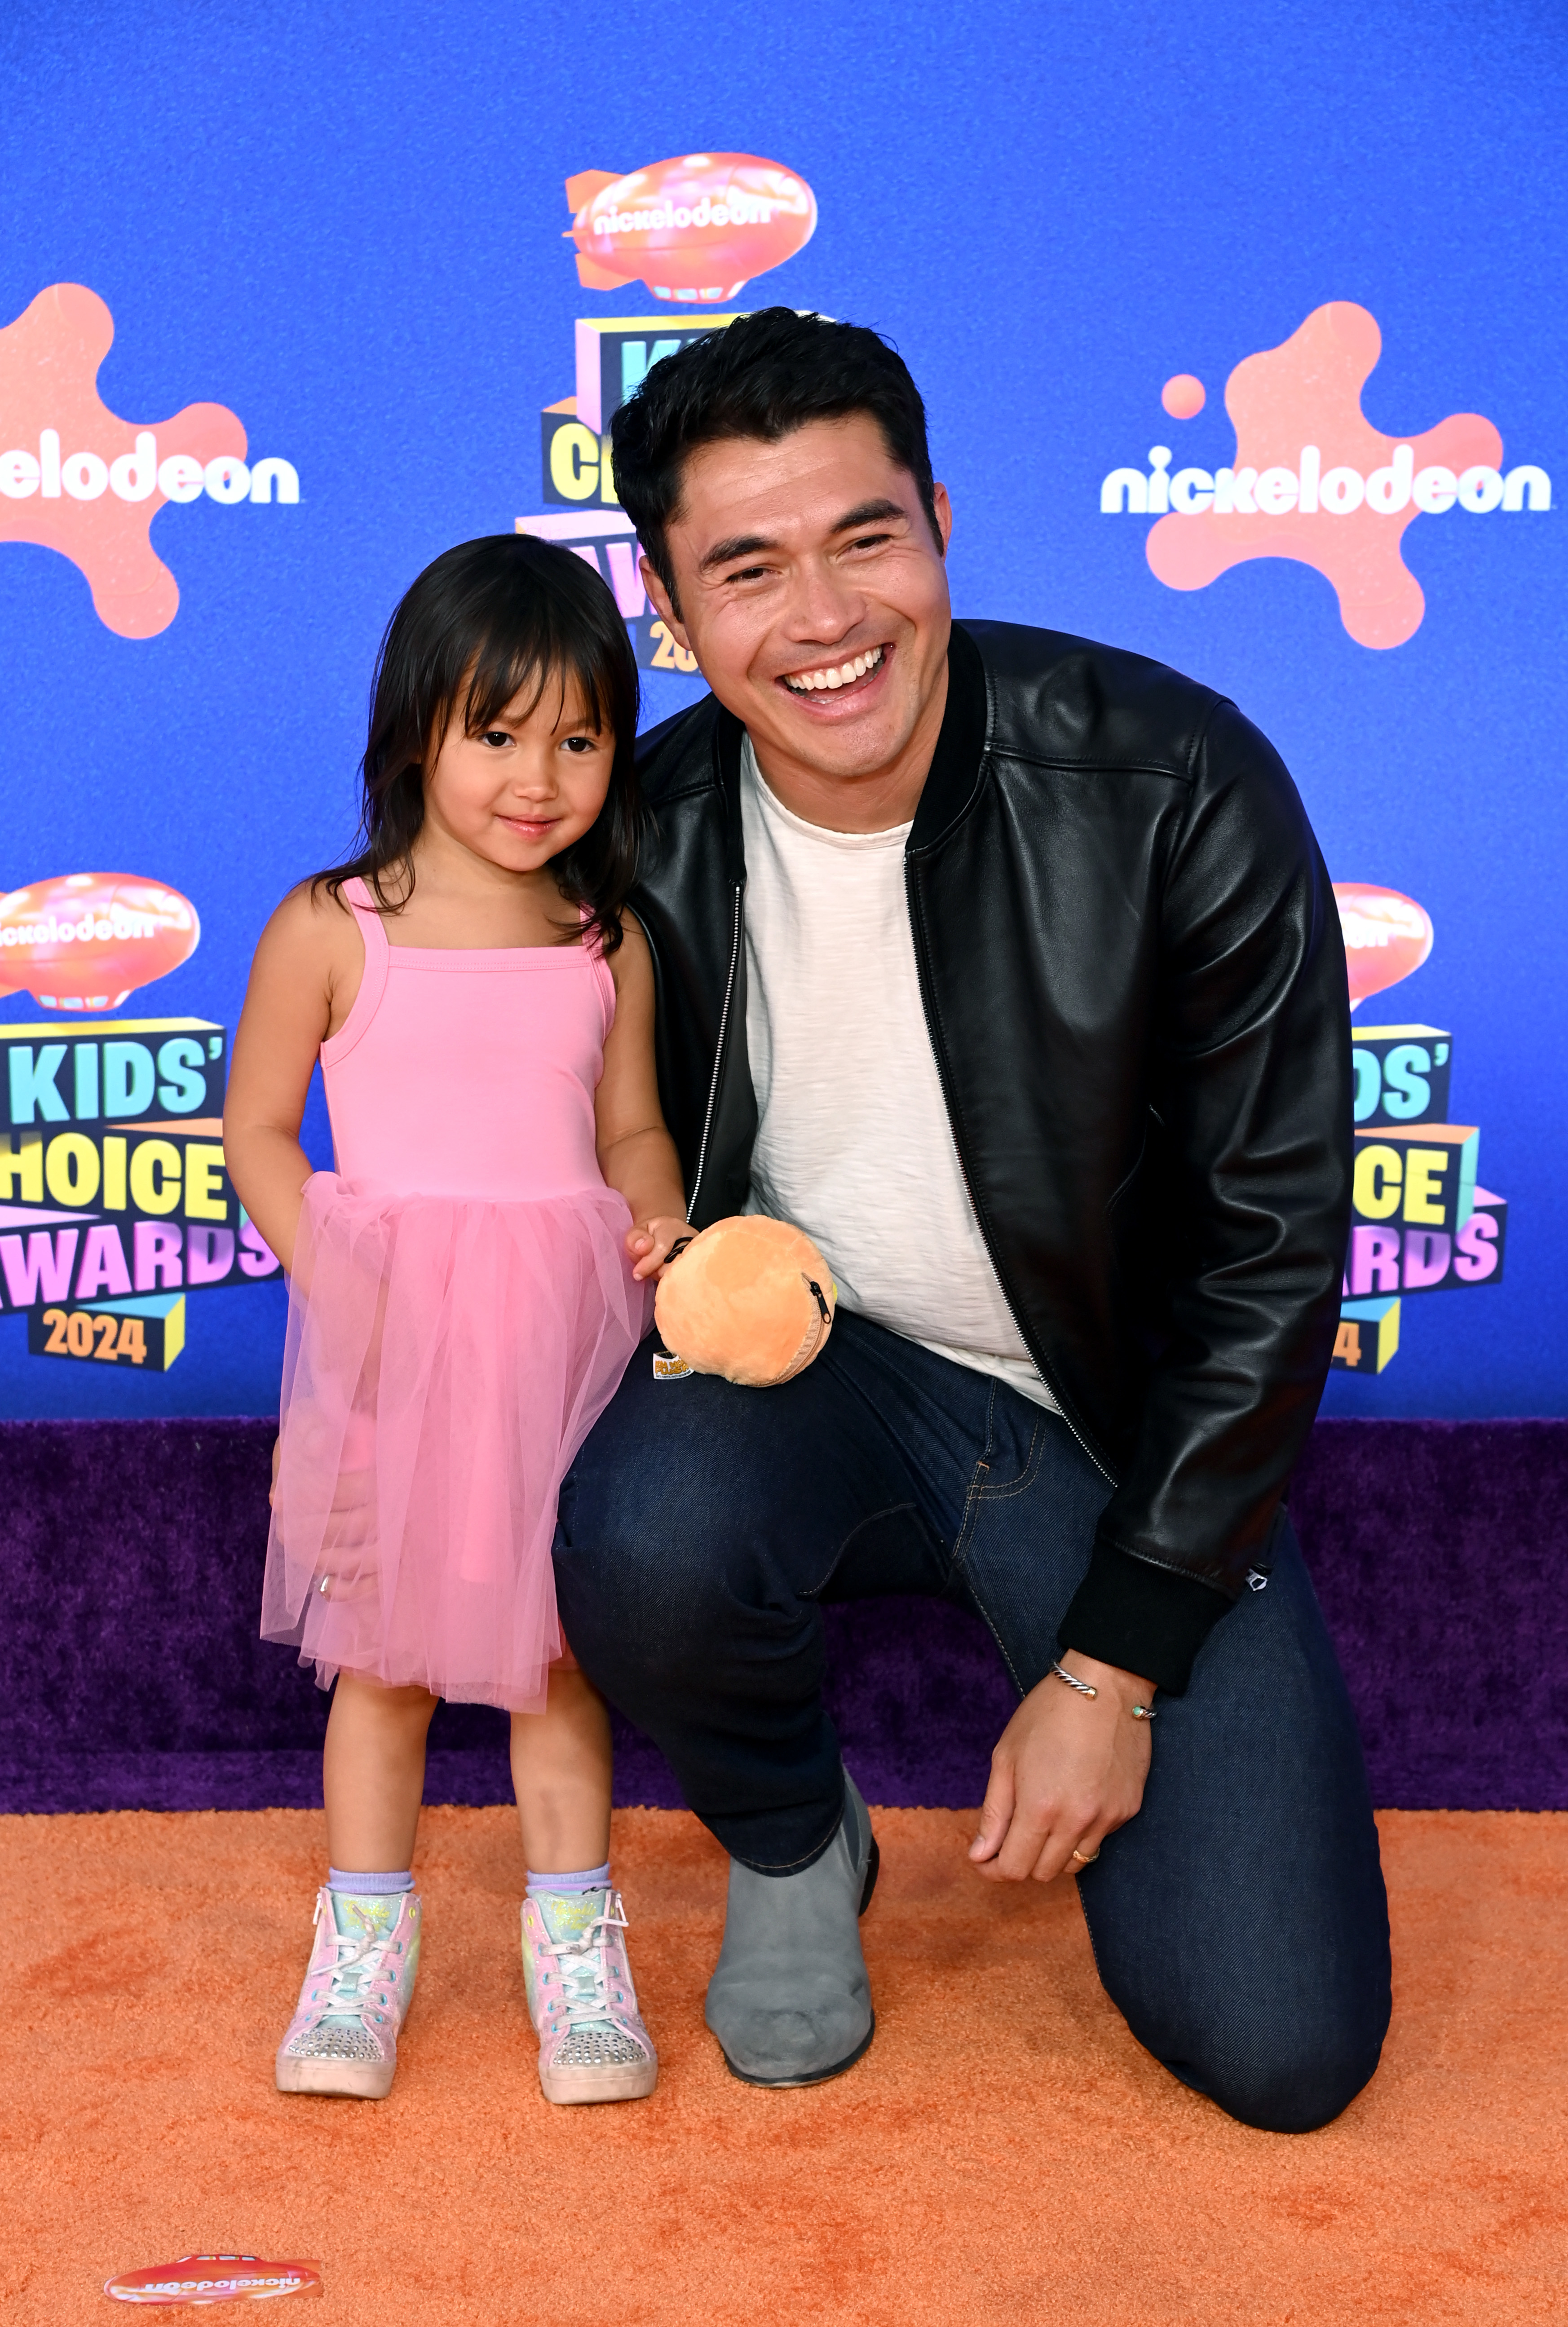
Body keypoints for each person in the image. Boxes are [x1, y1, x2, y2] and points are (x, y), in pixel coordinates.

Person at [552, 310, 1392, 2132]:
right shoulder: (643, 835)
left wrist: (1115, 1660)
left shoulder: (1172, 778)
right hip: (828, 1384)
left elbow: (1272, 1245)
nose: (829, 617)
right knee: (644, 1522)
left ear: (940, 521)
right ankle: (796, 1834)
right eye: (750, 569)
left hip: (1127, 1429)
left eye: (866, 536)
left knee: (1282, 2048)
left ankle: (1104, 1649)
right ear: (672, 613)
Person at [225, 536, 694, 2106]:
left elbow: (625, 1131)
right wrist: (337, 1270)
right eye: (497, 732)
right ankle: (363, 1955)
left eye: (579, 737)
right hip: (396, 1356)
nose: (537, 776)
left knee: (562, 1662)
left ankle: (577, 1956)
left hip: (564, 1351)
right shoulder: (328, 926)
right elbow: (261, 1135)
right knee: (385, 1665)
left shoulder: (602, 941)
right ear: (418, 725)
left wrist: (659, 1214)